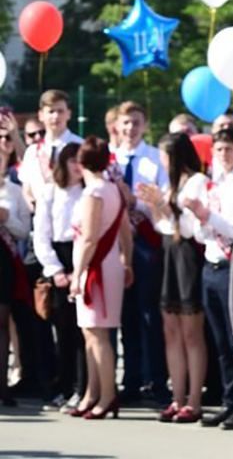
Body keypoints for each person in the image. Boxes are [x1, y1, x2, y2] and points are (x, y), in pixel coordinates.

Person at [184, 126, 233, 430]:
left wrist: (207, 217)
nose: (223, 155)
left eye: (229, 149)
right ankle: (229, 401)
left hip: (231, 267)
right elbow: (201, 234)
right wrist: (200, 219)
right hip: (210, 264)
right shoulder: (213, 183)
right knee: (219, 341)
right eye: (218, 149)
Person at [136, 133, 208, 423]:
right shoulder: (169, 184)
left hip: (187, 255)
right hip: (168, 253)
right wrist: (155, 204)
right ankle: (176, 397)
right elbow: (162, 225)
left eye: (165, 157)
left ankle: (194, 400)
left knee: (191, 331)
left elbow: (189, 229)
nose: (161, 162)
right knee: (170, 329)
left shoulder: (196, 182)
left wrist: (163, 205)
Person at [69, 136, 132, 419]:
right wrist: (127, 261)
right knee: (90, 333)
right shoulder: (112, 189)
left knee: (98, 335)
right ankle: (91, 393)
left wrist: (77, 274)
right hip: (107, 264)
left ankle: (106, 396)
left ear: (81, 162)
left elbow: (90, 238)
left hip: (97, 268)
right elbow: (126, 231)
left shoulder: (94, 192)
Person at [113, 100, 170, 406]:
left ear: (145, 125)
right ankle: (131, 380)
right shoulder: (112, 161)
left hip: (146, 243)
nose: (130, 129)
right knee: (127, 316)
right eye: (125, 123)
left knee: (149, 313)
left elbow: (161, 200)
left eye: (136, 123)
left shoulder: (153, 160)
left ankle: (157, 380)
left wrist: (136, 204)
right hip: (118, 246)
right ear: (117, 126)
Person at [31, 143, 87, 411]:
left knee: (83, 331)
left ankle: (83, 387)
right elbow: (41, 235)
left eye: (81, 161)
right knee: (62, 330)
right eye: (72, 161)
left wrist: (80, 269)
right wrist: (55, 270)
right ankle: (63, 386)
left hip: (83, 259)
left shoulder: (90, 192)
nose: (77, 166)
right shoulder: (51, 191)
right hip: (59, 259)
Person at [0, 112, 31, 407]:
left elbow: (24, 231)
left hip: (4, 261)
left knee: (3, 321)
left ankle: (3, 384)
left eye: (6, 139)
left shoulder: (16, 189)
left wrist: (6, 219)